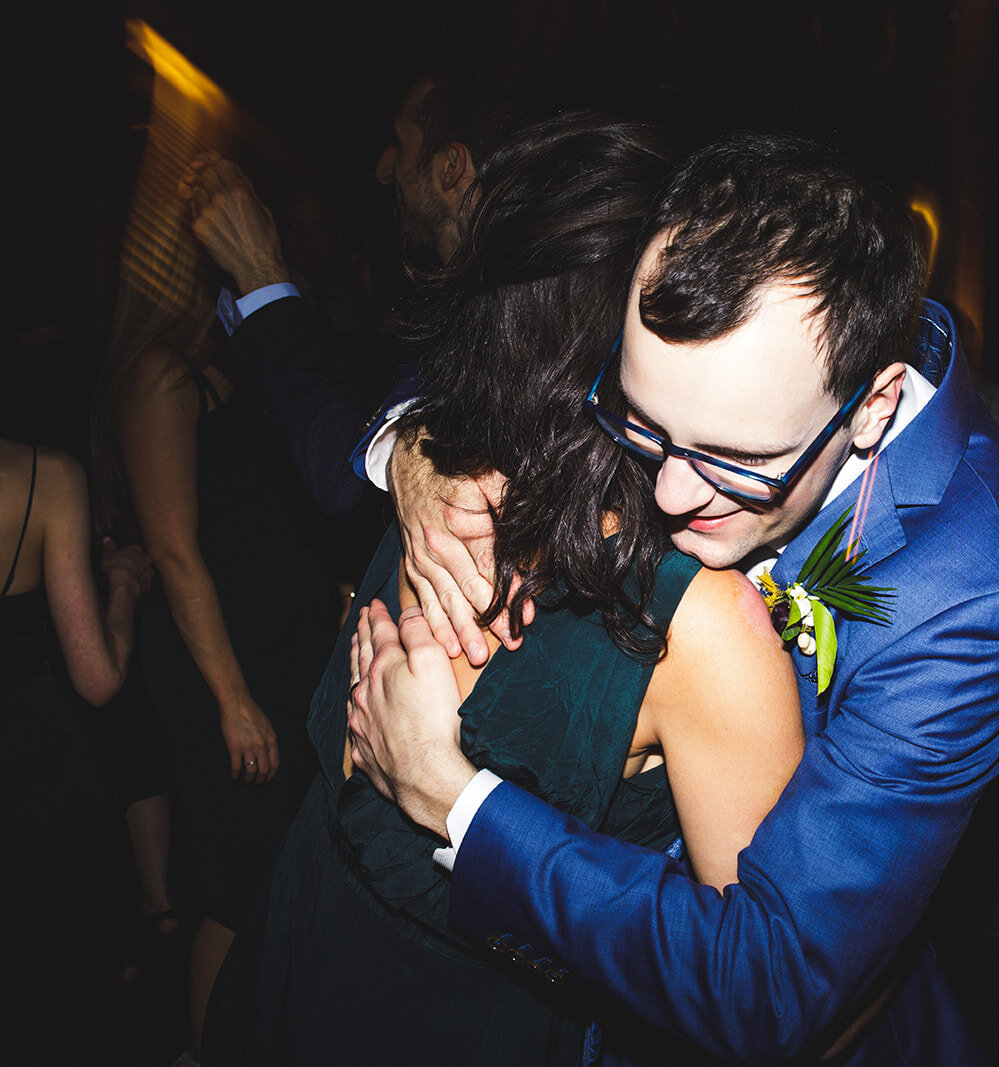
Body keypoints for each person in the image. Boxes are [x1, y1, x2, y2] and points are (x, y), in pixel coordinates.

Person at [349, 131, 999, 1063]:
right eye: (645, 425)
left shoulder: (968, 606)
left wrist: (456, 801)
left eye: (739, 461)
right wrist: (410, 446)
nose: (673, 493)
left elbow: (770, 985)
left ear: (873, 407)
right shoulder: (706, 333)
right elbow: (506, 327)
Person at [202, 113, 805, 1066]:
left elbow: (751, 1001)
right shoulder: (434, 468)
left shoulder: (701, 632)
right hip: (286, 960)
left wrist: (453, 794)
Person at [98, 297, 335, 1062]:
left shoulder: (243, 360)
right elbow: (172, 552)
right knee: (237, 891)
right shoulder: (160, 375)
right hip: (226, 667)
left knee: (295, 871)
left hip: (289, 652)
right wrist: (232, 698)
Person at [179, 72, 523, 520]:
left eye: (400, 144)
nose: (384, 169)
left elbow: (353, 479)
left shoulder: (510, 308)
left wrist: (259, 270)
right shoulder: (469, 298)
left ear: (450, 167)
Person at [0, 374, 151, 1049]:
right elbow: (98, 678)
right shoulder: (44, 476)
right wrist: (122, 588)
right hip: (49, 793)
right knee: (77, 1017)